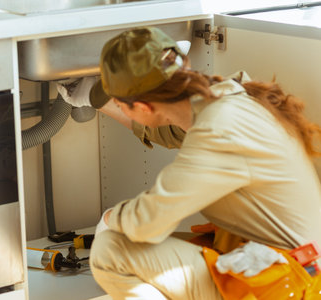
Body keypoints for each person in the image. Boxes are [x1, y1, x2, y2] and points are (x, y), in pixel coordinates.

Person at [59, 26, 321, 299]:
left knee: (110, 250)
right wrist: (94, 97)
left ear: (144, 107)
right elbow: (172, 128)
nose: (118, 107)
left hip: (286, 283)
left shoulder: (219, 131)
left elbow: (148, 221)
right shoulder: (227, 96)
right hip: (282, 261)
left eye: (120, 104)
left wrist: (110, 218)